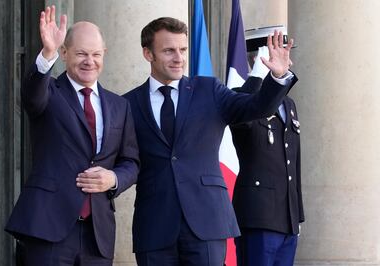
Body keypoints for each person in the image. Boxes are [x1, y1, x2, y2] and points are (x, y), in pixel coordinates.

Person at [123, 17, 297, 265]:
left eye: (183, 50)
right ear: (147, 53)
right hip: (154, 227)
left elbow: (255, 107)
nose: (178, 58)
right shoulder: (127, 104)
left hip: (207, 223)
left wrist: (278, 77)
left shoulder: (209, 90)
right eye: (168, 50)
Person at [5, 6, 139, 265]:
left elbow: (131, 162)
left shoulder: (119, 106)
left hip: (97, 233)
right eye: (81, 54)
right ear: (65, 54)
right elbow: (32, 97)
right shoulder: (50, 93)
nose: (89, 61)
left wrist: (113, 178)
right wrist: (47, 54)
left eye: (96, 54)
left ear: (104, 55)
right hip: (49, 228)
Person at [231, 26, 304, 266]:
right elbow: (241, 111)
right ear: (260, 58)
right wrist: (258, 75)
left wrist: (296, 214)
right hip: (258, 216)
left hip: (286, 217)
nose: (288, 59)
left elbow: (293, 162)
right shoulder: (241, 96)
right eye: (279, 52)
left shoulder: (289, 103)